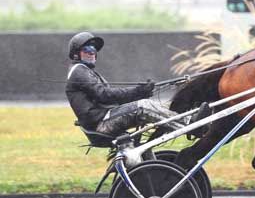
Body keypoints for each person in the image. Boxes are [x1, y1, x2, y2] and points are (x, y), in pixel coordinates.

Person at [65, 32, 206, 143]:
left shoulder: (85, 71)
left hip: (103, 120)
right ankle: (190, 125)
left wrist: (139, 93)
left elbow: (108, 99)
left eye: (94, 49)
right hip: (101, 124)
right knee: (142, 106)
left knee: (147, 107)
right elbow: (104, 95)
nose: (92, 52)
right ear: (76, 53)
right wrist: (137, 92)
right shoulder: (79, 70)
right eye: (87, 49)